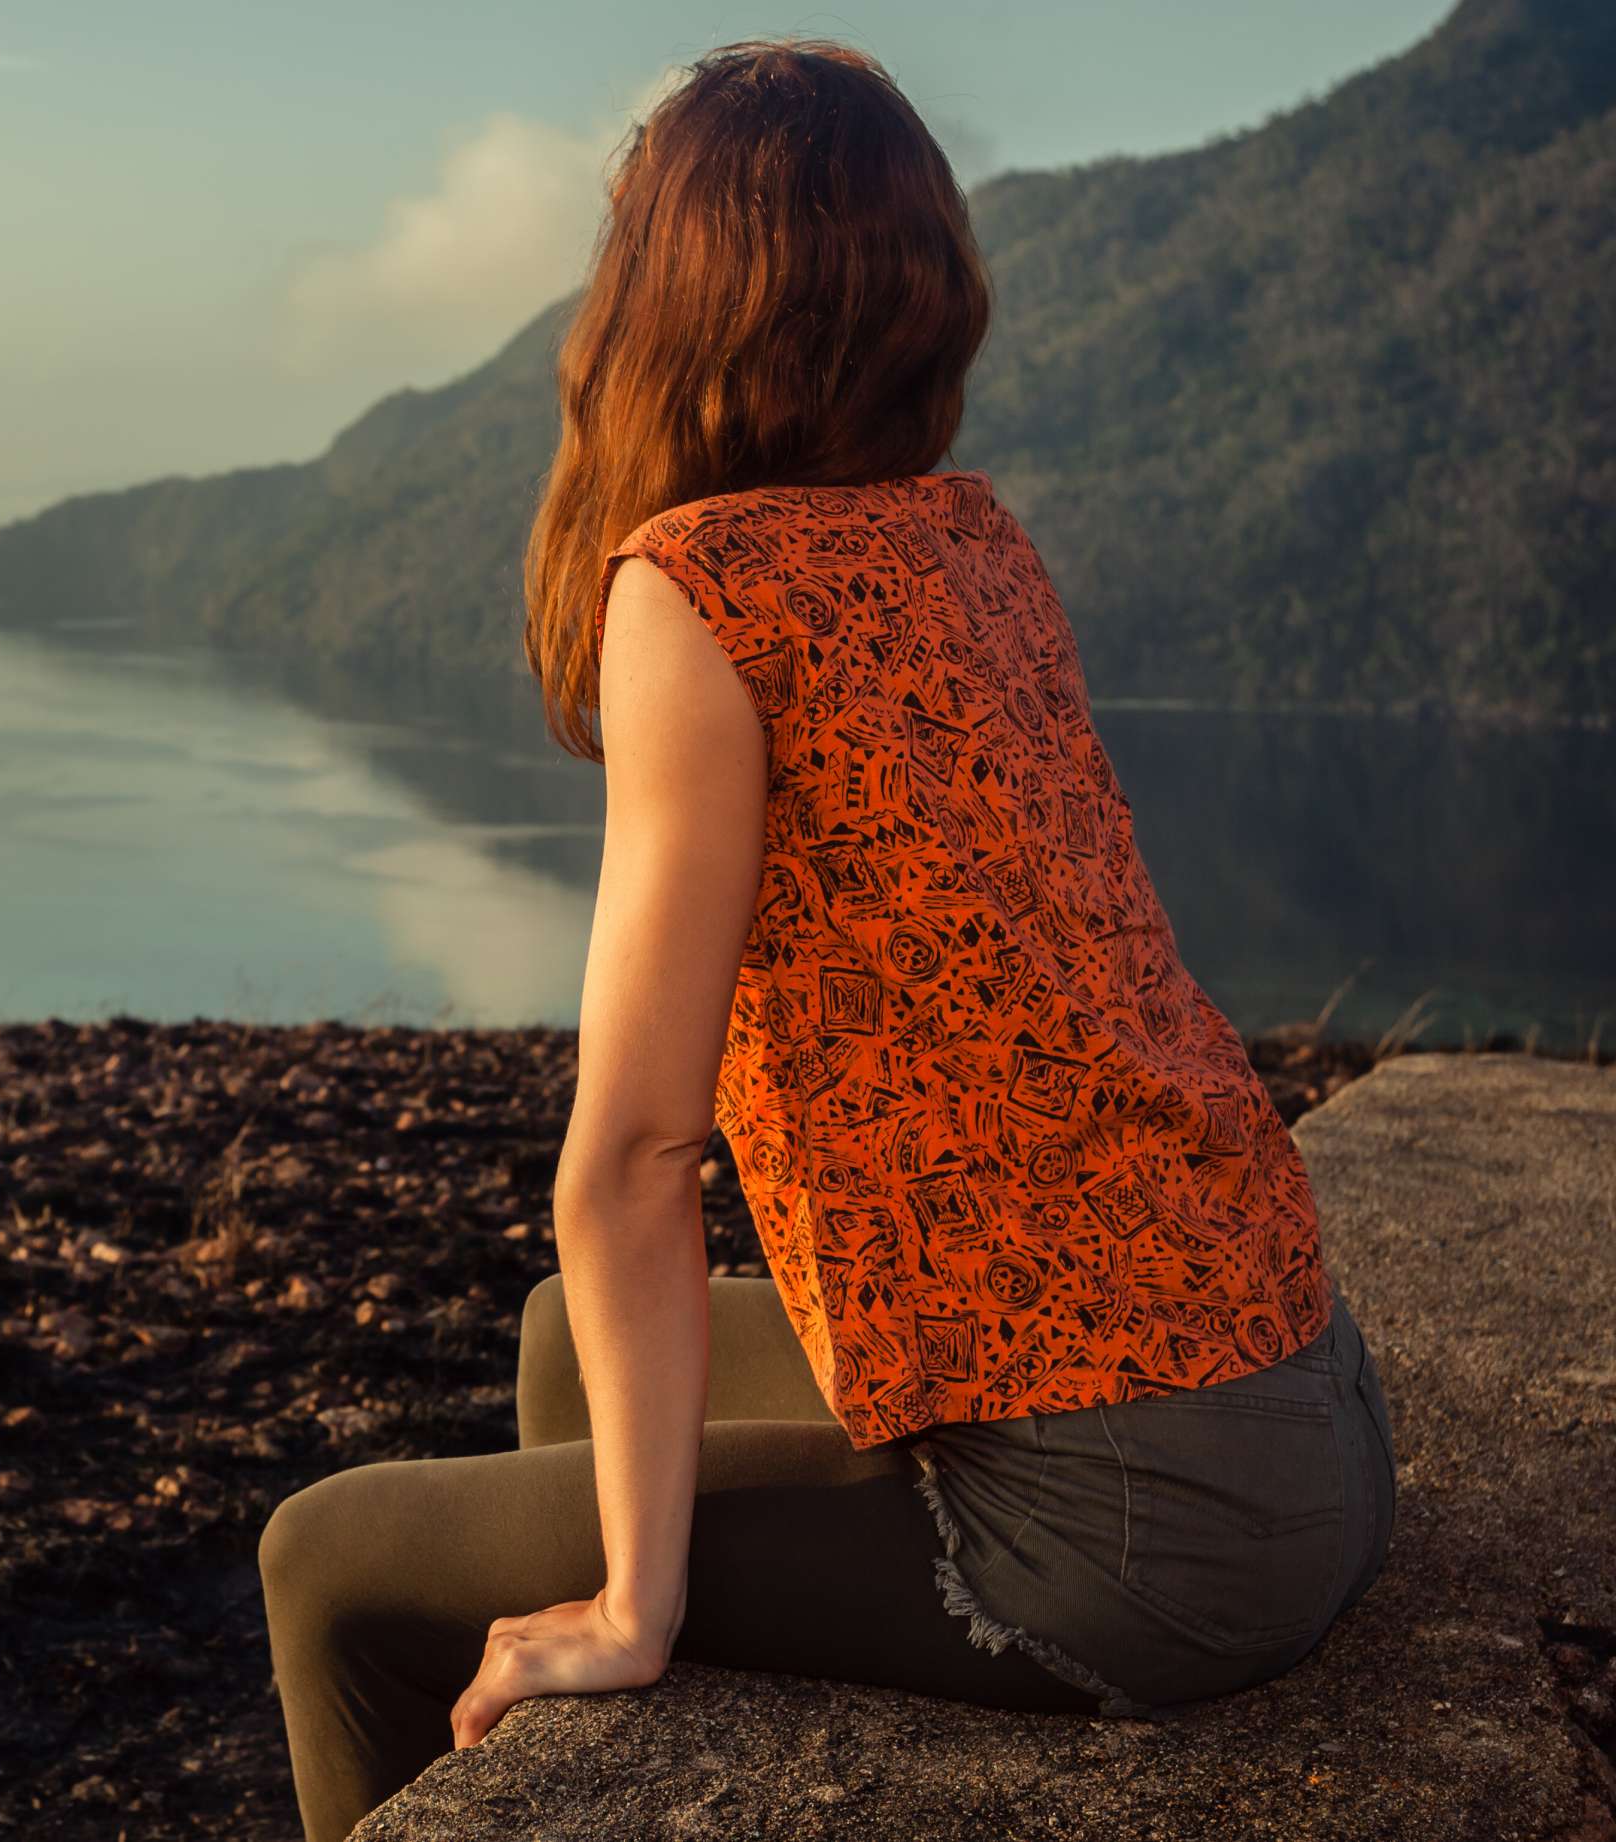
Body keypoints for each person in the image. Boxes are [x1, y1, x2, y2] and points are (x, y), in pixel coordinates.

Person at [252, 36, 1398, 1842]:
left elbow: (633, 1156)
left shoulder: (699, 586)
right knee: (572, 1345)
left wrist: (639, 1611)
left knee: (327, 1561)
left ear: (663, 299)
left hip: (1139, 1525)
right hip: (1310, 1421)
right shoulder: (971, 541)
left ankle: (616, 1664)